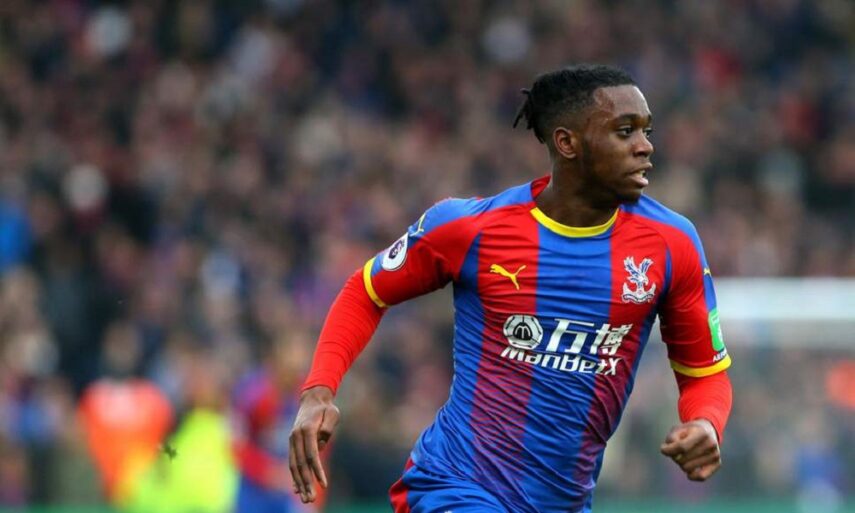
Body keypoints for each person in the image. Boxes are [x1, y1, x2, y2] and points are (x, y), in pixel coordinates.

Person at [289, 64, 733, 513]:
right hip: (455, 484)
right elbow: (367, 291)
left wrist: (706, 423)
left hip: (563, 502)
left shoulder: (672, 244)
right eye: (625, 131)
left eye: (645, 131)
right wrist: (319, 390)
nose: (645, 146)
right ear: (567, 143)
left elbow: (705, 373)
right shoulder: (470, 228)